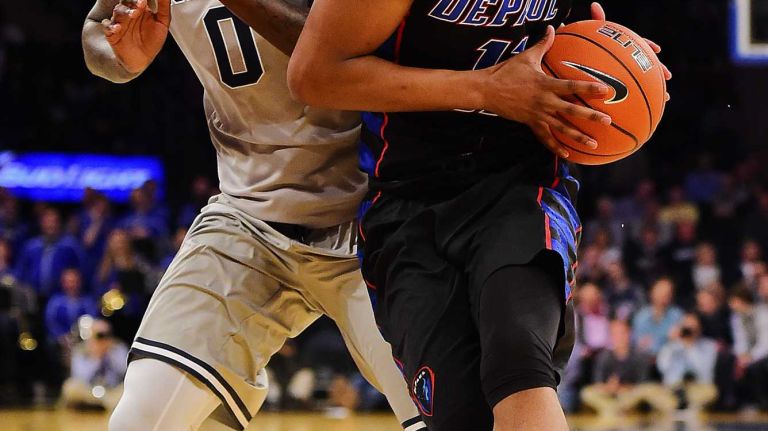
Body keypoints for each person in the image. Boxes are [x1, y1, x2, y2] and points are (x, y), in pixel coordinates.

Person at [288, 1, 671, 430]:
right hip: (407, 197)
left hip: (522, 180)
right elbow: (315, 74)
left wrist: (625, 67)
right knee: (460, 416)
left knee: (519, 359)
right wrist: (487, 90)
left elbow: (576, 33)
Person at [81, 1, 424, 430]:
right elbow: (96, 27)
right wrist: (120, 56)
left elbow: (331, 56)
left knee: (450, 417)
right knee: (139, 421)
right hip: (248, 216)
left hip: (377, 216)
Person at [580, 320, 672, 417]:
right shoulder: (604, 357)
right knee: (586, 393)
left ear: (629, 334)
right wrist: (610, 387)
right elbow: (598, 383)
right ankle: (613, 410)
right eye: (615, 334)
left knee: (648, 390)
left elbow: (642, 384)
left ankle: (617, 410)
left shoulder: (639, 356)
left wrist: (623, 387)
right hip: (609, 395)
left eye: (622, 333)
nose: (619, 337)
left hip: (631, 395)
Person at [15, 208, 85, 299]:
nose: (51, 225)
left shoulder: (70, 246)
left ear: (59, 223)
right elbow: (21, 271)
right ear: (41, 223)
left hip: (61, 297)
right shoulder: (31, 246)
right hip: (33, 296)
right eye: (47, 221)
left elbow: (81, 269)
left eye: (54, 221)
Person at [656, 313, 719, 413]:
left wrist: (691, 346)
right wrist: (673, 343)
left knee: (710, 393)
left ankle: (687, 407)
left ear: (700, 328)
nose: (689, 330)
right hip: (674, 389)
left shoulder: (709, 345)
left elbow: (705, 369)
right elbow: (663, 367)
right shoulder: (671, 346)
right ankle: (678, 406)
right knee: (653, 393)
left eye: (693, 327)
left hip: (698, 388)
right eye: (686, 326)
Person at [62, 319, 128, 411]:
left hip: (111, 391)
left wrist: (109, 354)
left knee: (125, 390)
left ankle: (97, 404)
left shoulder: (118, 348)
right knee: (70, 386)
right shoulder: (80, 350)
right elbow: (79, 377)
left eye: (106, 334)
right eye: (99, 335)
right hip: (88, 391)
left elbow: (124, 371)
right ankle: (103, 404)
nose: (103, 338)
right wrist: (96, 358)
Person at [729, 286, 768, 411]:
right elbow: (740, 340)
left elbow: (765, 342)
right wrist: (742, 355)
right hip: (749, 354)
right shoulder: (736, 317)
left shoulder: (763, 313)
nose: (731, 305)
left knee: (758, 366)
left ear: (742, 301)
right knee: (729, 362)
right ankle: (735, 401)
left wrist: (751, 356)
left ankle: (763, 402)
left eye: (734, 301)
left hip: (762, 354)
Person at [632, 277, 684, 356]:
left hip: (672, 358)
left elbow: (681, 342)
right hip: (647, 359)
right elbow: (640, 345)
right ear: (652, 292)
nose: (663, 296)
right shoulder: (641, 316)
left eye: (667, 293)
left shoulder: (677, 315)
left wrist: (654, 341)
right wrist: (666, 338)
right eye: (660, 291)